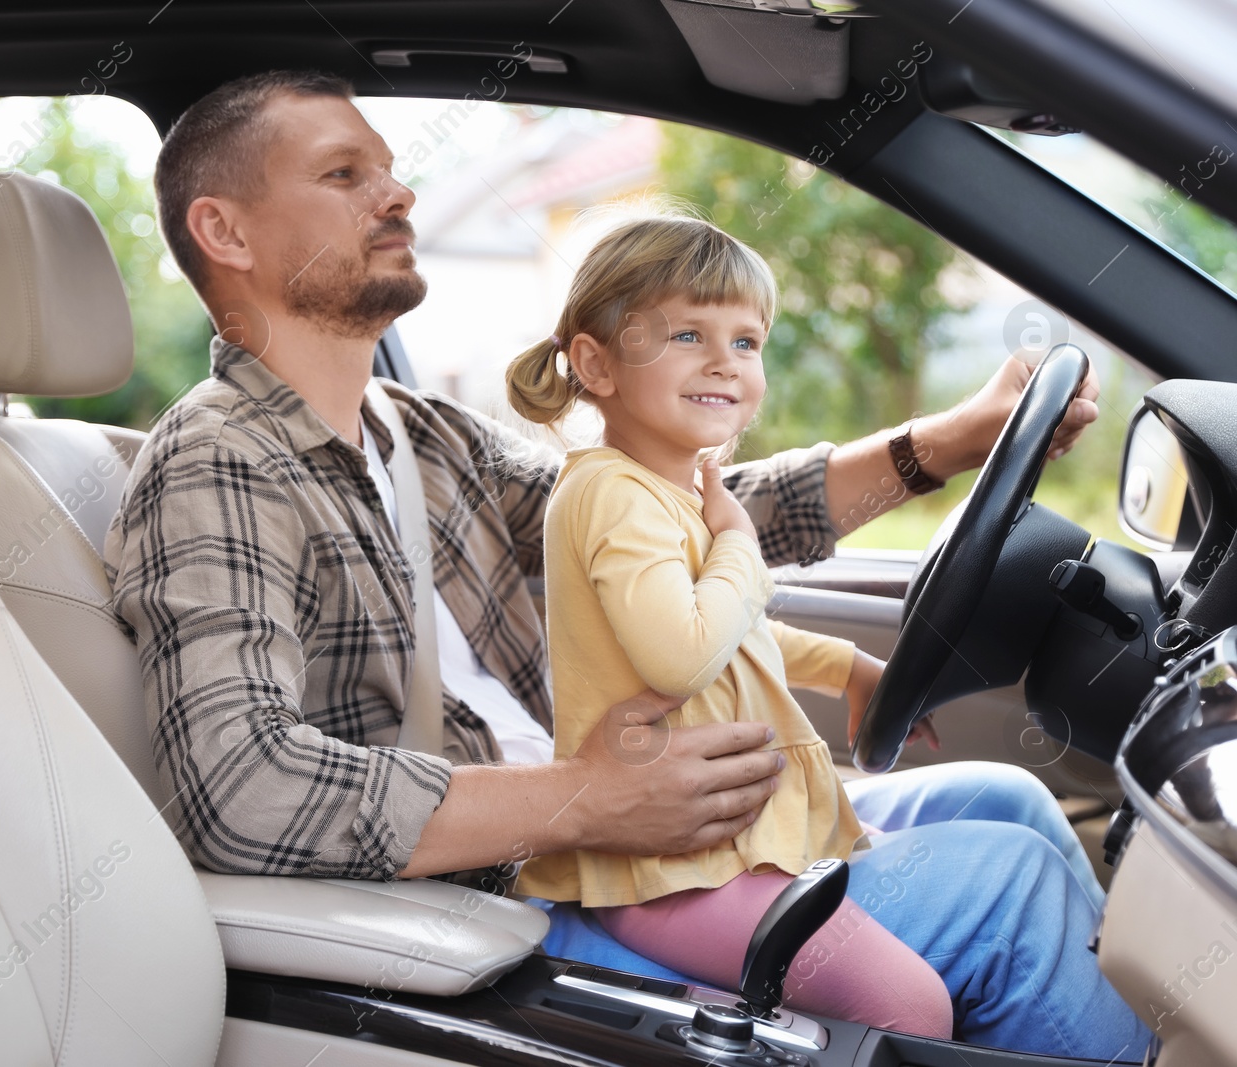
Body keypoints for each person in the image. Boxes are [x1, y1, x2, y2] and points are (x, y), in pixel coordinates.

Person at [105, 70, 1145, 1058]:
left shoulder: (421, 436)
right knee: (1011, 885)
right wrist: (585, 799)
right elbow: (238, 788)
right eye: (344, 174)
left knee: (1008, 801)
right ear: (223, 230)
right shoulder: (215, 462)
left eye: (387, 167)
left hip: (619, 829)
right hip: (508, 891)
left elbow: (687, 518)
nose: (398, 190)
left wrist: (943, 444)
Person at [504, 213, 953, 1038]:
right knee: (912, 1007)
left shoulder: (668, 491)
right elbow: (681, 657)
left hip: (725, 847)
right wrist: (742, 544)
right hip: (672, 870)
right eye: (687, 333)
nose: (724, 361)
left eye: (747, 342)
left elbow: (734, 637)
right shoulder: (614, 493)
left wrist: (847, 665)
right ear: (595, 363)